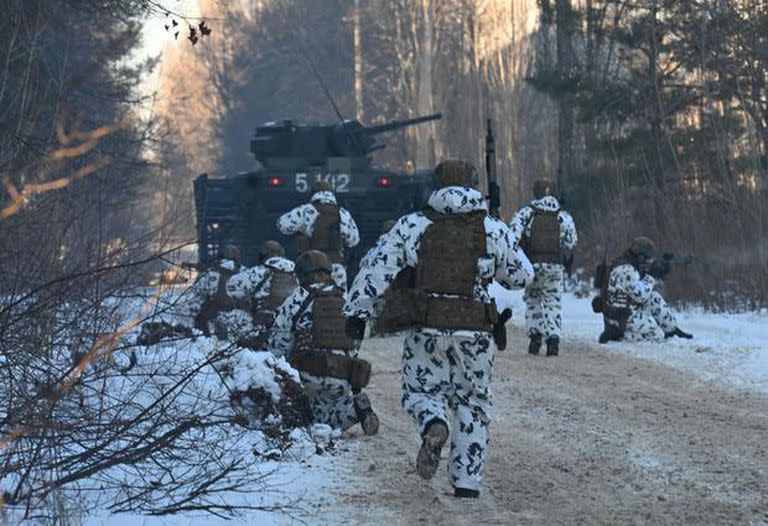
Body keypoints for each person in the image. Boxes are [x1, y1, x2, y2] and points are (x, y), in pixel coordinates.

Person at [343, 160, 534, 499]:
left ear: (435, 185)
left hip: (426, 326)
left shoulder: (413, 224)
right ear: (475, 186)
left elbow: (375, 268)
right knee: (473, 403)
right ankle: (466, 482)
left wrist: (357, 312)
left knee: (420, 391)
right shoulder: (491, 226)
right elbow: (522, 276)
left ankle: (434, 423)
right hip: (475, 331)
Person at [267, 250, 379, 435]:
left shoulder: (296, 299)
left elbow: (278, 347)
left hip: (309, 378)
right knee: (334, 412)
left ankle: (333, 416)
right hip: (342, 377)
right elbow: (355, 343)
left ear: (302, 275)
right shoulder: (347, 299)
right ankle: (354, 410)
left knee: (312, 423)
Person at [509, 179, 577, 356]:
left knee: (533, 300)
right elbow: (571, 242)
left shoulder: (527, 213)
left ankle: (535, 339)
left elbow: (512, 236)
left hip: (532, 265)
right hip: (554, 266)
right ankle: (553, 341)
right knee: (552, 301)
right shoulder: (564, 216)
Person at [595, 236, 693, 343]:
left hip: (625, 310)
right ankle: (619, 336)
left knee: (653, 297)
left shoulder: (629, 263)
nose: (649, 261)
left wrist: (660, 272)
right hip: (620, 317)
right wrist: (651, 276)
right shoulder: (626, 269)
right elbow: (640, 295)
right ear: (640, 257)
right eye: (647, 258)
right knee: (657, 336)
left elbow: (638, 285)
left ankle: (672, 331)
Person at [276, 180, 360, 289]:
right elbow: (354, 240)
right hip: (336, 268)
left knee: (309, 302)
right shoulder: (343, 213)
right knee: (340, 301)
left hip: (311, 268)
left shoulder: (306, 210)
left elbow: (282, 224)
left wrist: (302, 230)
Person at [220, 240, 297, 349]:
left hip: (263, 332)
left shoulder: (257, 272)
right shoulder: (298, 274)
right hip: (291, 334)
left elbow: (231, 288)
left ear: (263, 256)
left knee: (237, 315)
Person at [192, 245, 243, 336]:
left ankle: (205, 338)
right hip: (238, 309)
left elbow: (198, 292)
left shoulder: (211, 271)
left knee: (199, 318)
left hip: (215, 309)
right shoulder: (244, 272)